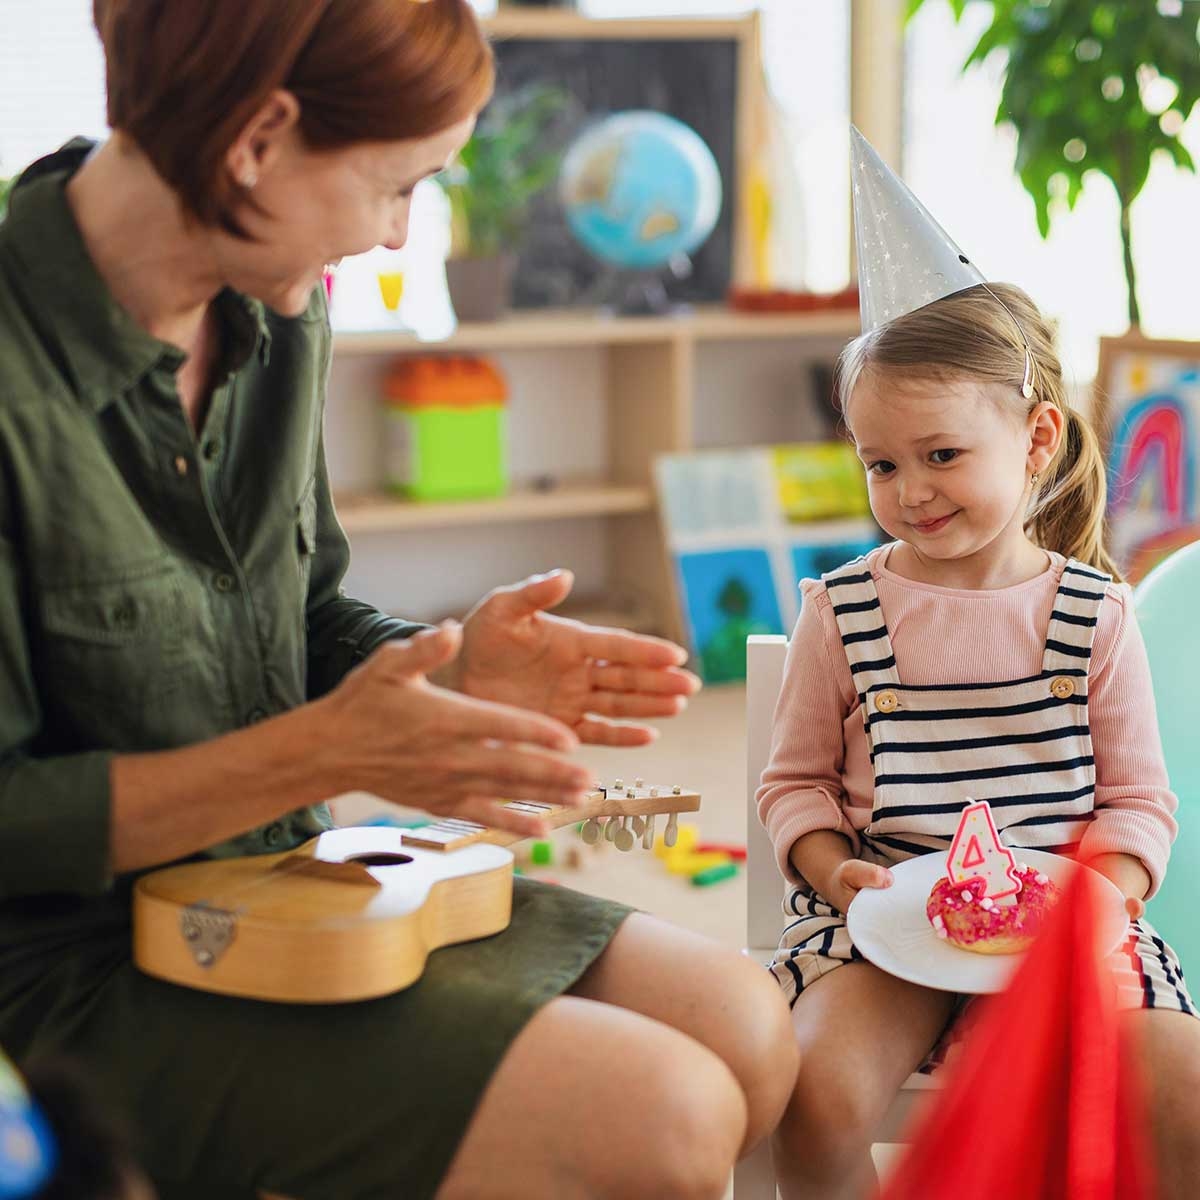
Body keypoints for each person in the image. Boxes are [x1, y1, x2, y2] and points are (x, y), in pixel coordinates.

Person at [0, 3, 798, 1197]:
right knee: (663, 1121)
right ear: (257, 141)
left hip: (279, 880)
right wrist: (319, 752)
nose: (394, 236)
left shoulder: (272, 295)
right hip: (68, 964)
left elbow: (305, 612)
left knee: (748, 1021)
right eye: (394, 187)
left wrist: (450, 669)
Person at [758, 131, 1200, 1200]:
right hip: (881, 924)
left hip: (1065, 931)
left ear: (1038, 438)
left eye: (942, 455)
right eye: (882, 463)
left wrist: (1105, 896)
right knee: (811, 1095)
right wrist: (833, 871)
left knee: (1185, 1096)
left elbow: (1141, 801)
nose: (910, 490)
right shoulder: (845, 609)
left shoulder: (1094, 614)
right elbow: (795, 786)